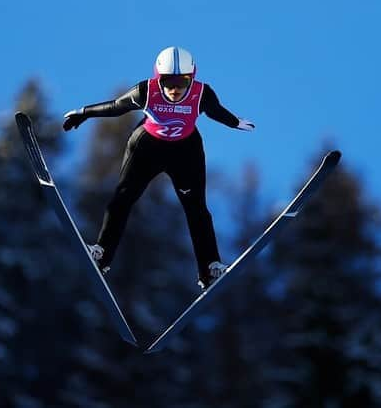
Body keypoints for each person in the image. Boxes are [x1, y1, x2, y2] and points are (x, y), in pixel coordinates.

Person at [62, 46, 255, 290]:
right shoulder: (146, 91)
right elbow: (115, 107)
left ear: (191, 78)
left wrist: (235, 122)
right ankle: (102, 254)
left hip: (185, 153)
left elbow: (216, 111)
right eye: (168, 82)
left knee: (197, 210)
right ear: (157, 78)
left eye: (182, 82)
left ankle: (209, 269)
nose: (175, 89)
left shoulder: (202, 93)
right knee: (123, 197)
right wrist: (83, 113)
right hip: (146, 149)